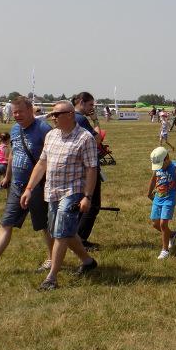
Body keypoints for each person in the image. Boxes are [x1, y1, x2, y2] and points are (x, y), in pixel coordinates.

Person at [0, 97, 54, 275]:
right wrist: (7, 176)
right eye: (14, 112)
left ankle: (53, 260)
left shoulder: (44, 129)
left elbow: (52, 157)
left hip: (38, 186)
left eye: (20, 111)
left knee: (45, 225)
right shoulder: (14, 129)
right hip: (16, 185)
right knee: (6, 223)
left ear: (30, 110)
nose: (17, 115)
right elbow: (14, 153)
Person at [20, 100, 99, 291]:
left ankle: (52, 278)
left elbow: (91, 169)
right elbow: (42, 163)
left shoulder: (85, 138)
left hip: (73, 192)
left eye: (57, 115)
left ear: (70, 115)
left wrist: (87, 196)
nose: (53, 118)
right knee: (64, 231)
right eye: (52, 115)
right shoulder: (51, 135)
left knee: (61, 233)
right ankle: (88, 262)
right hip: (52, 191)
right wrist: (29, 188)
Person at [72, 92, 105, 251]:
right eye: (90, 105)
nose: (92, 108)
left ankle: (74, 237)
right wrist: (95, 120)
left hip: (76, 166)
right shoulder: (81, 119)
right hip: (88, 166)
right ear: (81, 102)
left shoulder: (70, 117)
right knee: (92, 204)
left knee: (80, 203)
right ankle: (81, 240)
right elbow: (97, 139)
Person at [147, 147, 176, 259]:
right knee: (155, 224)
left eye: (161, 164)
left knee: (163, 224)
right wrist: (149, 193)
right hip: (157, 198)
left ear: (167, 159)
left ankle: (165, 250)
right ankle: (172, 235)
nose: (159, 167)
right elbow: (153, 179)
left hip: (169, 200)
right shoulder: (158, 167)